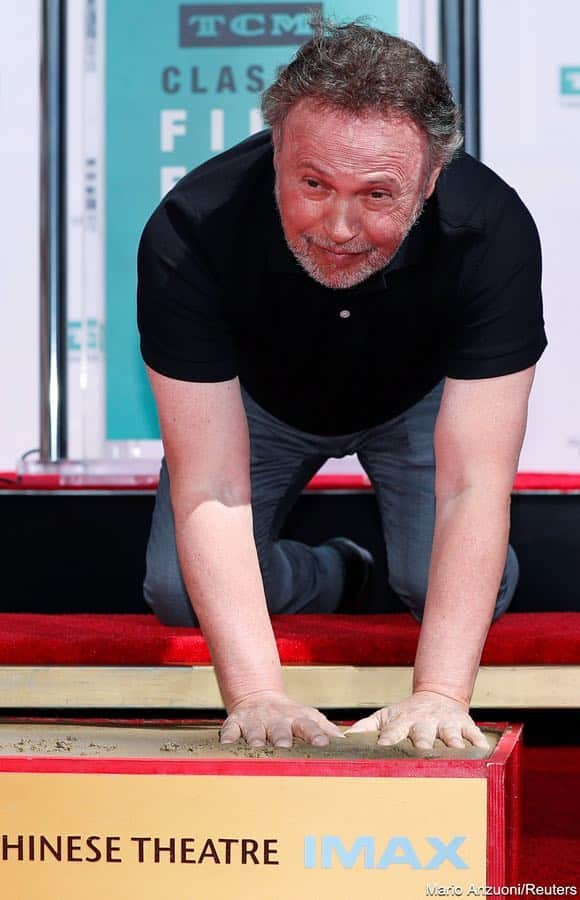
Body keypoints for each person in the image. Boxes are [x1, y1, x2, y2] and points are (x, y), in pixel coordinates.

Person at [137, 18, 546, 751]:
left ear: (431, 178)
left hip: (417, 400)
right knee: (175, 593)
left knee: (437, 585)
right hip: (257, 402)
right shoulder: (190, 230)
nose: (339, 225)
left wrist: (441, 695)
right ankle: (338, 573)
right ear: (276, 153)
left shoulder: (494, 230)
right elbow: (210, 488)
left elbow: (472, 486)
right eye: (313, 183)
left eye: (379, 195)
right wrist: (257, 693)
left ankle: (411, 568)